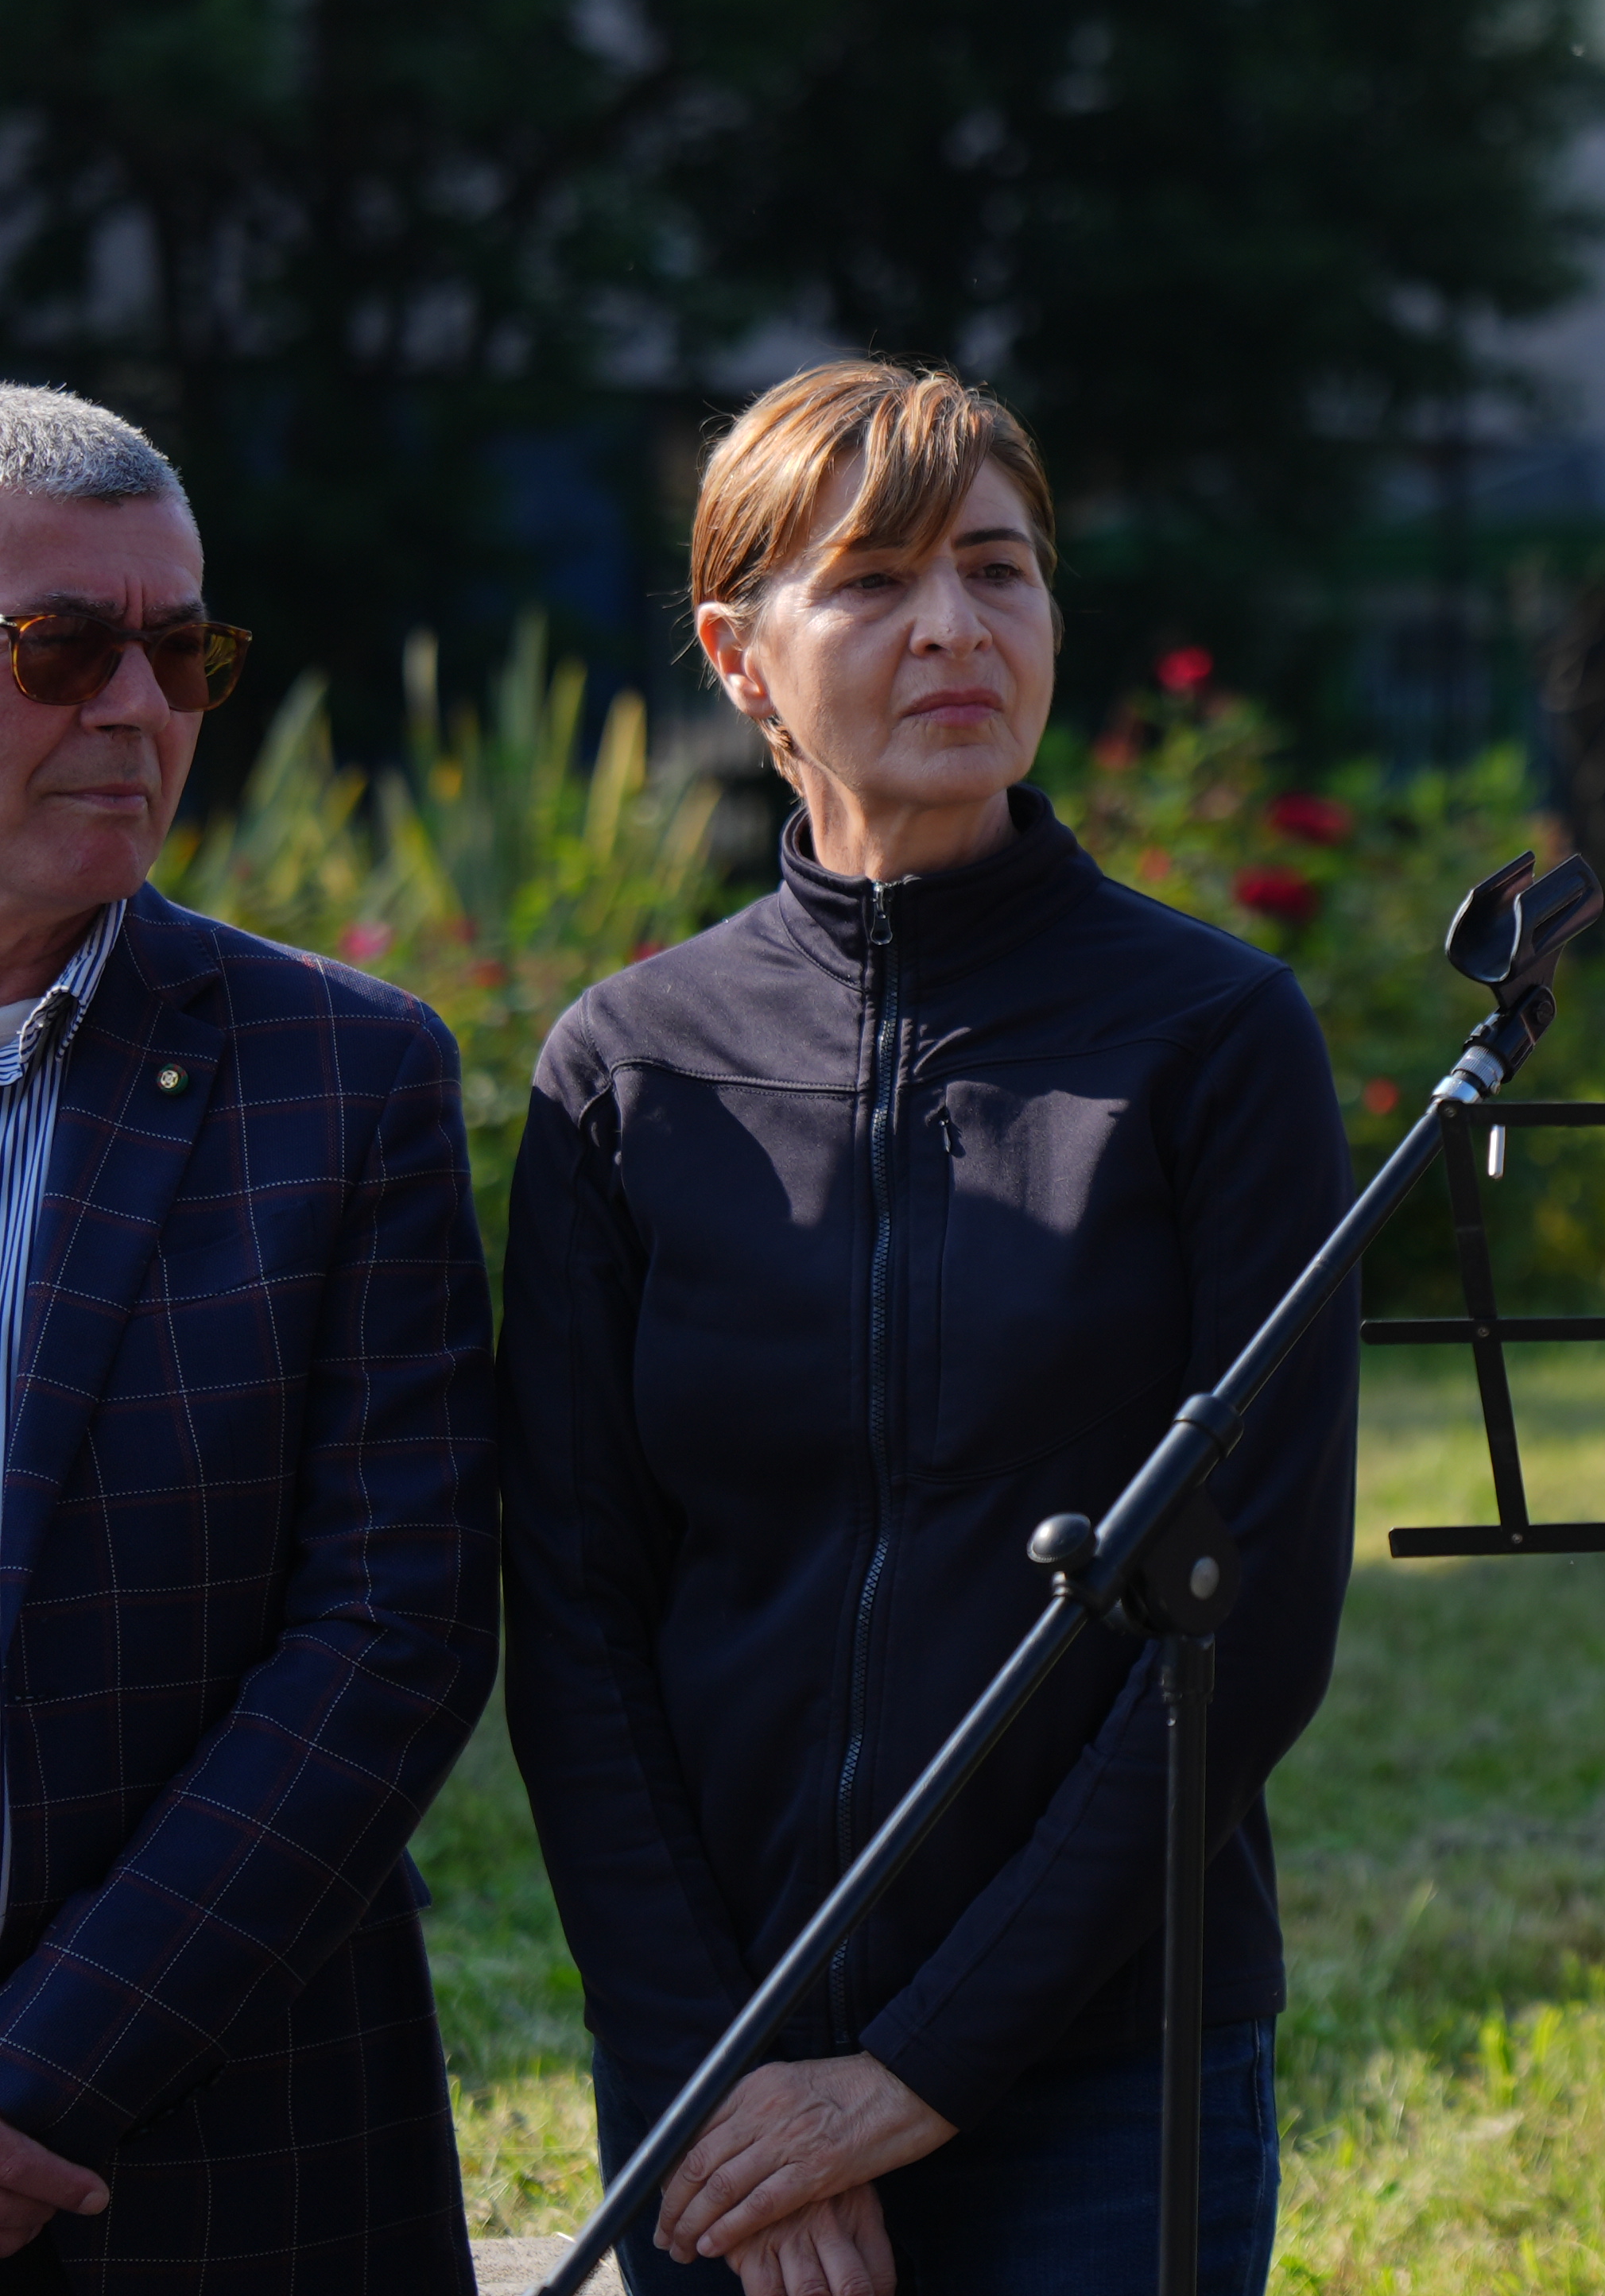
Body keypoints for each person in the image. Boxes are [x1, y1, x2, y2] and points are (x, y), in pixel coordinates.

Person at [501, 360, 1356, 2296]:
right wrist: (721, 2077)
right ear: (741, 654)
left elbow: (1254, 1623)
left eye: (999, 567)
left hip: (1104, 2063)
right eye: (874, 579)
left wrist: (908, 2074)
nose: (955, 627)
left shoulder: (1214, 1043)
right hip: (718, 2070)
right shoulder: (625, 1072)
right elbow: (572, 1618)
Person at [0, 385, 498, 2286]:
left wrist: (43, 2083)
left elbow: (394, 1626)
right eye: (62, 646)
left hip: (215, 2147)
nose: (136, 708)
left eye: (181, 650)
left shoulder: (338, 1073)